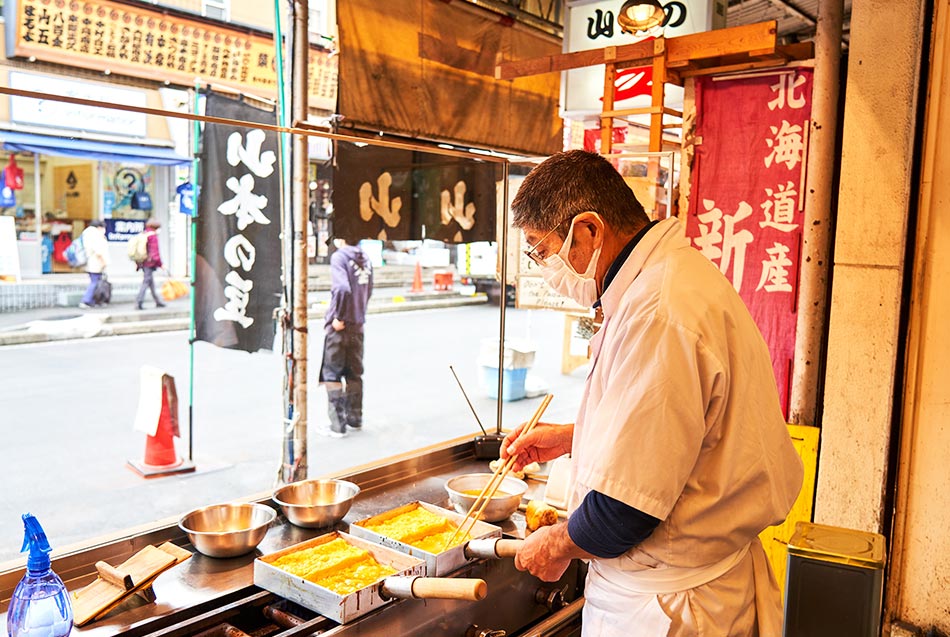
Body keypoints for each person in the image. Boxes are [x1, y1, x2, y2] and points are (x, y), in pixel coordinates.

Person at [501, 150, 804, 636]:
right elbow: (677, 434)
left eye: (541, 250)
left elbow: (626, 510)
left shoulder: (658, 312)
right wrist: (573, 437)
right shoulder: (670, 278)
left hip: (669, 608)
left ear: (589, 231)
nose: (543, 268)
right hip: (689, 587)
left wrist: (556, 544)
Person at [319, 238, 373, 437]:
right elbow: (369, 290)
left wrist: (338, 316)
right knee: (354, 373)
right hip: (358, 326)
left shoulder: (340, 257)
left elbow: (341, 288)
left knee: (332, 375)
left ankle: (337, 426)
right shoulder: (365, 258)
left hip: (340, 328)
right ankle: (355, 419)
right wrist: (358, 313)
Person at [136, 218, 166, 310]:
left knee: (150, 282)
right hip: (150, 263)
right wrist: (161, 264)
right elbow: (155, 253)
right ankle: (139, 302)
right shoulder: (153, 236)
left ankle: (157, 301)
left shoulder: (144, 234)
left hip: (144, 262)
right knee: (146, 282)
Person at [78, 220, 109, 309]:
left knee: (94, 281)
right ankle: (85, 300)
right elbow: (98, 251)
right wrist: (103, 262)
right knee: (94, 282)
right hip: (96, 263)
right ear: (99, 227)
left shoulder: (88, 234)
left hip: (91, 262)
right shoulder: (96, 235)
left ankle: (92, 300)